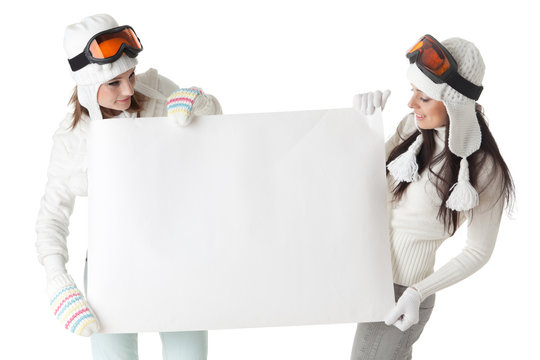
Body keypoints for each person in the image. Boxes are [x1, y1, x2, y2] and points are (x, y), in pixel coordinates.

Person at [35, 14, 221, 360]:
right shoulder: (71, 140)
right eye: (115, 83)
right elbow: (52, 217)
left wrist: (200, 102)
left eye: (130, 76)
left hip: (176, 255)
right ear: (89, 87)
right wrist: (57, 279)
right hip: (111, 266)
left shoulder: (156, 92)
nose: (129, 90)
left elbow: (218, 129)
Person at [351, 35, 514, 359]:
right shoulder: (411, 128)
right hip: (366, 276)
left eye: (423, 98)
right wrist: (363, 125)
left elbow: (479, 251)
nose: (411, 104)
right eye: (413, 92)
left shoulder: (483, 168)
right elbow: (363, 184)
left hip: (401, 292)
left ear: (454, 104)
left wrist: (417, 292)